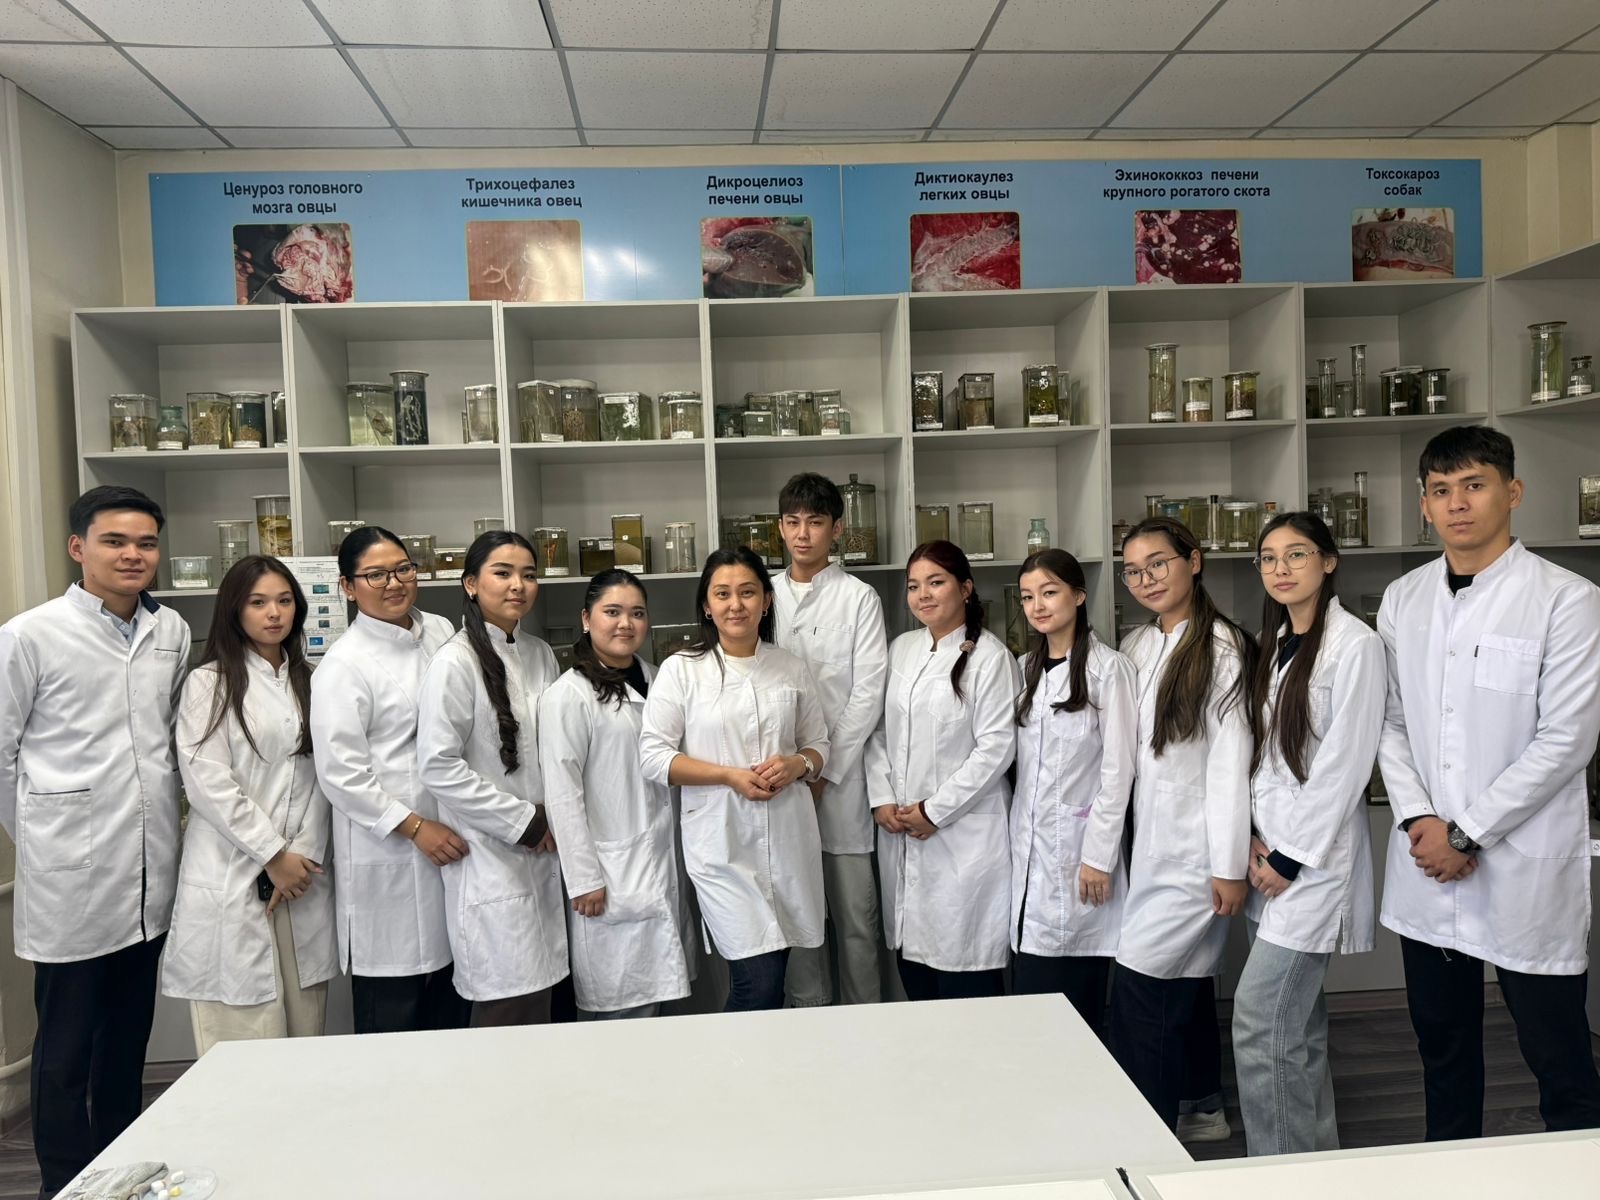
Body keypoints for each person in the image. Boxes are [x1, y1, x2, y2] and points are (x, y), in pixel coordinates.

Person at [1378, 426, 1600, 1139]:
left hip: (1520, 864)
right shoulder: (1403, 598)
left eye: (1474, 486)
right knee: (1442, 1051)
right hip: (1427, 859)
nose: (1457, 504)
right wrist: (1421, 821)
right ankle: (1450, 1174)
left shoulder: (1566, 599)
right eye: (1441, 490)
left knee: (1558, 1056)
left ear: (1513, 492)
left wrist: (1467, 833)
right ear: (1423, 505)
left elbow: (1567, 739)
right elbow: (1388, 722)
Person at [0, 485, 191, 1197]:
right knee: (65, 1052)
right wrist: (43, 837)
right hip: (69, 879)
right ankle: (63, 1184)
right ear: (78, 547)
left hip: (147, 872)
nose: (133, 555)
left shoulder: (169, 630)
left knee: (126, 1042)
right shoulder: (31, 635)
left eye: (145, 542)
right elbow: (1, 756)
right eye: (115, 541)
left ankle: (122, 1169)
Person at [1232, 513, 1384, 1155]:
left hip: (1309, 864)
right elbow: (1256, 756)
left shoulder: (1356, 645)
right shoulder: (1271, 646)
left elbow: (1345, 765)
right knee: (1297, 1028)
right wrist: (1248, 836)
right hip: (1265, 853)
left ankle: (1278, 1174)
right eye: (1268, 558)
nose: (1281, 569)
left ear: (1328, 561)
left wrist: (1290, 859)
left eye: (1297, 554)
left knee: (1259, 1020)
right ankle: (1317, 1162)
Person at [1110, 516, 1255, 1135]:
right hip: (1150, 844)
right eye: (1133, 571)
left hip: (1195, 852)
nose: (1146, 579)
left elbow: (1230, 764)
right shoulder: (1137, 646)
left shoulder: (1224, 648)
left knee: (1142, 987)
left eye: (1158, 564)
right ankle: (1203, 1108)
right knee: (1186, 982)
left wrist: (1227, 866)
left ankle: (1146, 1133)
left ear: (1193, 561)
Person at [639, 547, 830, 1012]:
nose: (735, 604)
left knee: (774, 974)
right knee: (756, 981)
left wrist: (796, 765)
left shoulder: (790, 666)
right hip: (720, 845)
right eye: (722, 594)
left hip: (787, 838)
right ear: (707, 605)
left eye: (747, 592)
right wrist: (727, 776)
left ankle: (757, 1058)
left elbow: (819, 745)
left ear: (766, 600)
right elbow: (653, 757)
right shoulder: (682, 670)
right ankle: (733, 1059)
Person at [162, 555, 337, 1054]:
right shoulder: (209, 683)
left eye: (284, 601)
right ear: (234, 610)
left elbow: (325, 777)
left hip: (300, 878)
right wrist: (272, 854)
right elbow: (207, 782)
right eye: (258, 602)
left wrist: (299, 857)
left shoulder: (314, 680)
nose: (274, 613)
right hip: (232, 871)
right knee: (241, 1043)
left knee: (305, 1034)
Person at [311, 526, 471, 1034]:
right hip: (392, 852)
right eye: (376, 575)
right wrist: (415, 828)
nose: (394, 583)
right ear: (347, 587)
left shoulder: (441, 632)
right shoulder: (343, 665)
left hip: (453, 840)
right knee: (394, 1014)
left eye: (403, 569)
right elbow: (341, 775)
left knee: (453, 1002)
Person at [417, 531, 568, 1026]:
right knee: (503, 1001)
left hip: (545, 848)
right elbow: (438, 764)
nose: (518, 585)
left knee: (540, 994)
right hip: (488, 855)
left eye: (528, 574)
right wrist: (523, 821)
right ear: (470, 584)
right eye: (502, 573)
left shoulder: (540, 653)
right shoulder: (453, 663)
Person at [865, 540, 1020, 1002]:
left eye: (936, 582)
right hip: (902, 831)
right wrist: (881, 798)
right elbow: (879, 730)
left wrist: (934, 811)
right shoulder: (902, 649)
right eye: (914, 586)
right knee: (916, 977)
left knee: (964, 980)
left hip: (963, 839)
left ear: (965, 588)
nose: (923, 595)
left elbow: (996, 749)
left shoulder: (991, 658)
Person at [539, 569, 693, 1019]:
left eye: (637, 613)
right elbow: (562, 793)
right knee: (622, 1014)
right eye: (612, 612)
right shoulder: (568, 695)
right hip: (609, 872)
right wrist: (583, 878)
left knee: (668, 1004)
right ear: (586, 620)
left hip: (663, 858)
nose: (626, 623)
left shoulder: (661, 680)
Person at [770, 473, 889, 1008]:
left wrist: (820, 769)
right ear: (780, 528)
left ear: (837, 529)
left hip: (840, 785)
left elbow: (867, 694)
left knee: (856, 921)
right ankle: (809, 1023)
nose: (803, 534)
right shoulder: (763, 595)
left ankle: (866, 1027)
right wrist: (795, 770)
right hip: (776, 779)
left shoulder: (859, 598)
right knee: (798, 920)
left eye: (815, 523)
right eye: (793, 522)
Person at [1009, 549, 1135, 1038]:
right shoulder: (1024, 668)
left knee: (1074, 1003)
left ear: (1079, 596)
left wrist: (1099, 857)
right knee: (1032, 1004)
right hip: (1030, 855)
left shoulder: (1109, 670)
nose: (1037, 606)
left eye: (1049, 592)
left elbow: (1118, 771)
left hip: (1082, 855)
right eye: (1027, 597)